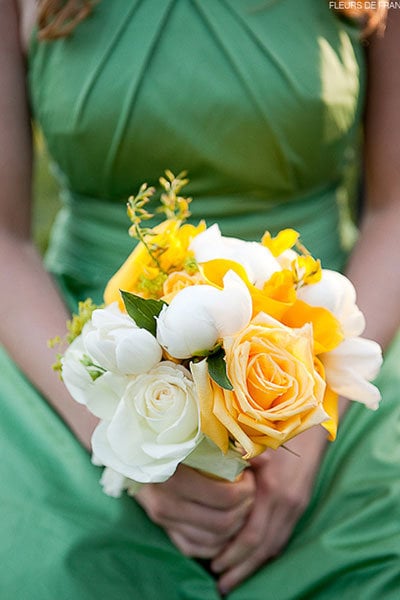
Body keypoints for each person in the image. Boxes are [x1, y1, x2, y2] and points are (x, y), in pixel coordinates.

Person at [1, 1, 400, 598]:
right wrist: (126, 448)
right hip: (77, 343)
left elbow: (395, 210)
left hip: (330, 335)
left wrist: (312, 426)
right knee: (50, 567)